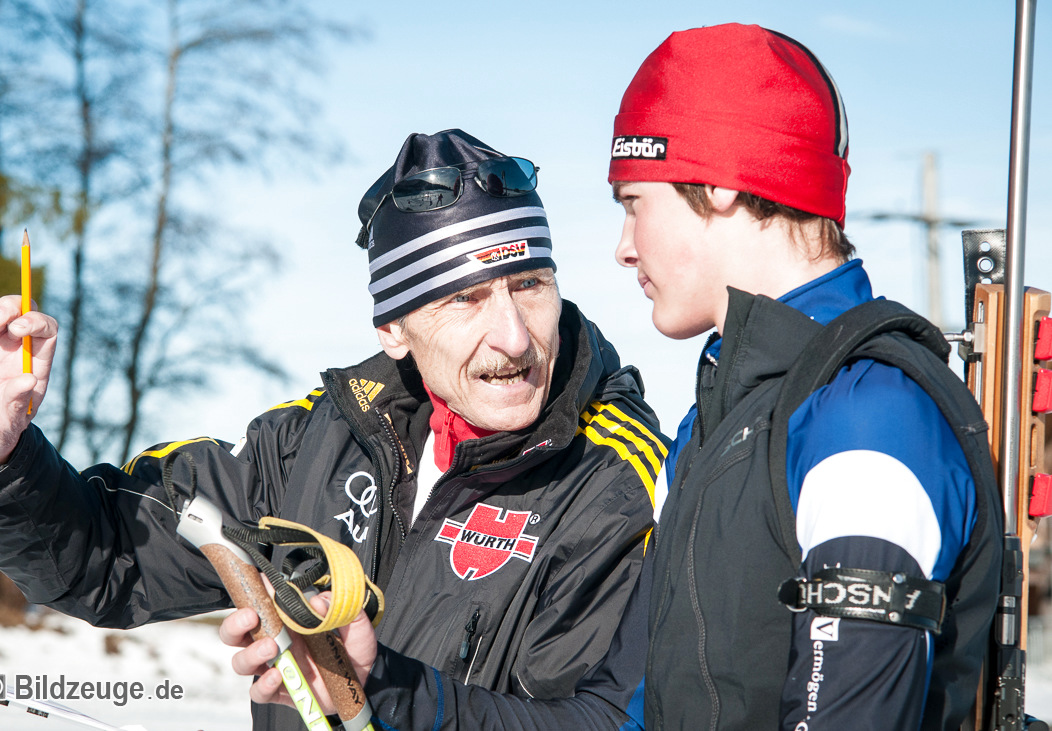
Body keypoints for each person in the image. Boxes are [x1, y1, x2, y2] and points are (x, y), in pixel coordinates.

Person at [265, 24, 1002, 730]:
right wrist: (386, 683)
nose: (622, 247)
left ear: (718, 187)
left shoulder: (865, 419)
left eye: (634, 202)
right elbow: (615, 718)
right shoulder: (721, 423)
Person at [0, 129, 665, 731]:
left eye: (530, 283)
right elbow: (108, 556)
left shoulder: (622, 485)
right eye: (466, 298)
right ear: (394, 327)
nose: (513, 336)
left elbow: (603, 718)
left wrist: (382, 686)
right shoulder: (315, 440)